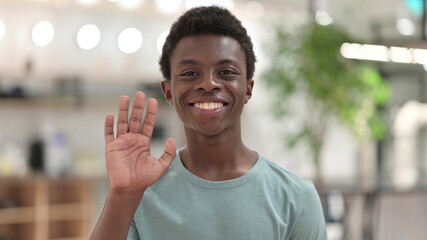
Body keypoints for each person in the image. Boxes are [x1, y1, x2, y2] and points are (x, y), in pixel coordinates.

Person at [90, 6, 327, 240]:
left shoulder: (296, 198)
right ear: (169, 92)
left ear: (248, 89)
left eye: (226, 71)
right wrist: (122, 194)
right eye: (190, 73)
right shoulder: (139, 193)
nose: (208, 83)